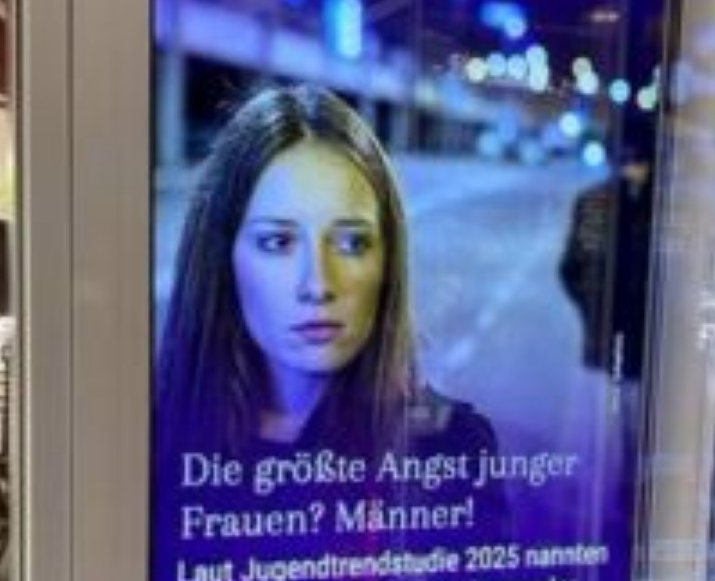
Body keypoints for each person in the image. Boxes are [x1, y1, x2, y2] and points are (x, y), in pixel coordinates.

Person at [156, 83, 496, 469]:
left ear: (387, 260)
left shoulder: (454, 448)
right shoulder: (144, 437)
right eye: (278, 241)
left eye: (352, 243)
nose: (318, 285)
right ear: (221, 258)